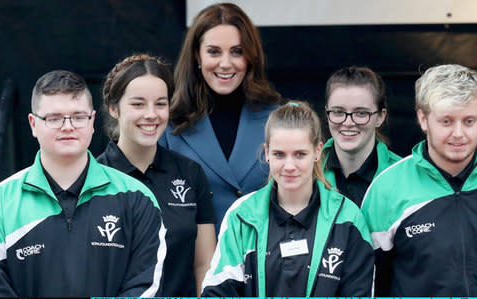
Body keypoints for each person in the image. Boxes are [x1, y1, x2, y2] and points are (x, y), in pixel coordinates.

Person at [0, 70, 166, 297]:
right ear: (33, 124)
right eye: (54, 118)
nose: (68, 126)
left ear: (92, 121)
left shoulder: (137, 198)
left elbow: (145, 287)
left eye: (78, 117)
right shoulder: (1, 201)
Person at [201, 101, 374, 297]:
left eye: (300, 154)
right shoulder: (241, 215)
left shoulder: (348, 218)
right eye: (279, 154)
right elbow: (217, 292)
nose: (289, 166)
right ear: (267, 153)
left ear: (318, 151)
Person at [97, 54, 216, 296]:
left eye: (160, 104)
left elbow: (205, 264)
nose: (151, 114)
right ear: (113, 108)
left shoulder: (190, 173)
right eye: (138, 104)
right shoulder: (93, 179)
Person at [159, 2, 283, 228]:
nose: (225, 64)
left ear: (250, 57)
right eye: (214, 51)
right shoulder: (169, 125)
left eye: (237, 52)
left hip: (265, 257)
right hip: (196, 259)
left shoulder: (277, 119)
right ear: (197, 55)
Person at [361, 64, 477, 296]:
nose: (458, 133)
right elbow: (368, 283)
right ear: (423, 119)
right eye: (446, 121)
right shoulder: (387, 189)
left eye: (469, 121)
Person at [323, 66, 401, 207]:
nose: (348, 122)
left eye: (361, 113)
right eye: (338, 112)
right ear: (327, 113)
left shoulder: (404, 176)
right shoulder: (305, 172)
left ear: (380, 117)